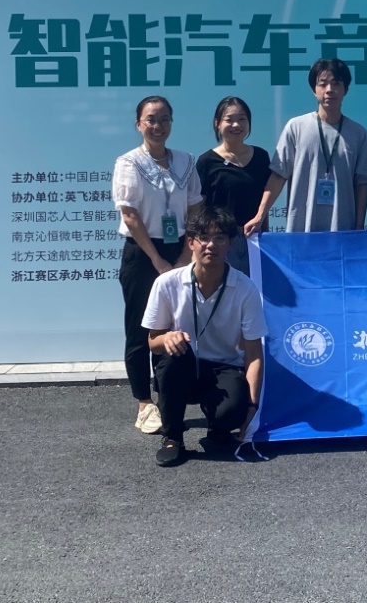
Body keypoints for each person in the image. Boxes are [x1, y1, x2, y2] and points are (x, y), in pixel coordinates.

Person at [143, 207, 267, 467]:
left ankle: (218, 429)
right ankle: (173, 438)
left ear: (230, 243)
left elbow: (254, 354)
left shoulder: (246, 288)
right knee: (172, 355)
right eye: (204, 238)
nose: (211, 245)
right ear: (191, 243)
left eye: (220, 238)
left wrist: (252, 407)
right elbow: (153, 342)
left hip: (223, 366)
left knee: (232, 412)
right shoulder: (166, 283)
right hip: (183, 364)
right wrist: (167, 338)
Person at [112, 96, 202, 436]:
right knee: (141, 328)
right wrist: (157, 260)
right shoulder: (128, 162)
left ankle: (169, 397)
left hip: (179, 250)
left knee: (174, 326)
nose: (158, 125)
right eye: (151, 119)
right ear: (139, 124)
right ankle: (143, 403)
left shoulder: (186, 161)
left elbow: (195, 208)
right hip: (143, 253)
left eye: (165, 118)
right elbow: (130, 215)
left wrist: (184, 256)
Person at [244, 58, 367, 235]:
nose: (329, 90)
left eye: (336, 83)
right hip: (301, 230)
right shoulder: (296, 127)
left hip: (343, 232)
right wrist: (260, 216)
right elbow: (278, 175)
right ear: (314, 90)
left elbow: (361, 184)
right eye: (323, 84)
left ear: (346, 89)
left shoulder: (358, 133)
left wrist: (359, 226)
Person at [196, 96, 271, 274]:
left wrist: (265, 234)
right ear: (217, 123)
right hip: (220, 241)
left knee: (253, 287)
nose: (236, 125)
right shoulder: (207, 161)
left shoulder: (261, 157)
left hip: (253, 238)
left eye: (242, 119)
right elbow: (199, 208)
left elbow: (264, 199)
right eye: (229, 120)